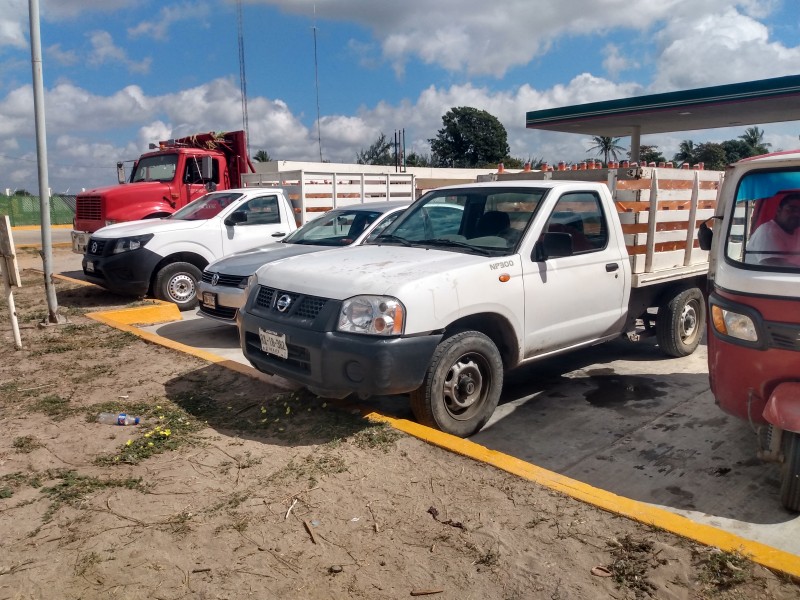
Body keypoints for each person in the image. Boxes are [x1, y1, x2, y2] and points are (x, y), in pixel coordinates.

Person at [746, 193, 800, 267]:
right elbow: (777, 266)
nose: (797, 214)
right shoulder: (767, 232)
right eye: (791, 209)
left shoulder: (797, 231)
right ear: (778, 210)